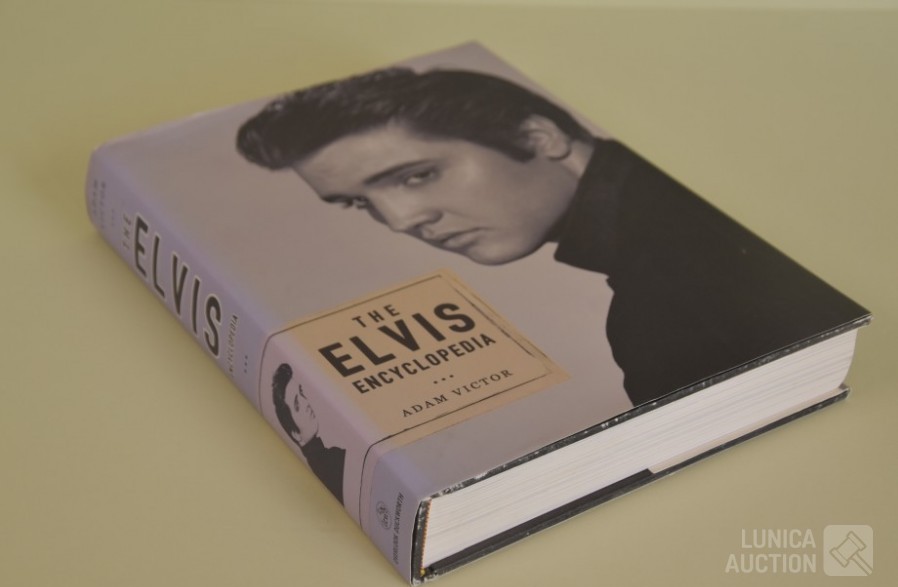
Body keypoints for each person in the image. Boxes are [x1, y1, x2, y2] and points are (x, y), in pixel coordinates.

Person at [239, 67, 865, 406]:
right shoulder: (676, 210)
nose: (402, 222)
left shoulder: (665, 306)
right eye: (359, 203)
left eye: (417, 175)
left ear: (539, 137)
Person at [272, 363, 346, 503]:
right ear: (295, 434)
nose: (306, 402)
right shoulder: (332, 464)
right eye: (297, 405)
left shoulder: (329, 460)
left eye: (301, 393)